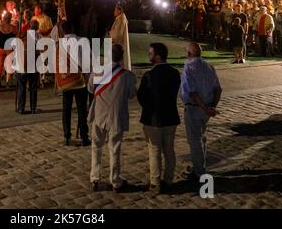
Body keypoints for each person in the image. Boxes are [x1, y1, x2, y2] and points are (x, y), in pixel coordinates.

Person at [89, 44, 137, 193]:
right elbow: (131, 94)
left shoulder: (97, 71)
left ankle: (95, 178)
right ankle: (115, 180)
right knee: (114, 149)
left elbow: (91, 89)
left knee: (96, 146)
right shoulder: (127, 75)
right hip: (117, 115)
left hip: (99, 114)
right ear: (122, 57)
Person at [137, 43, 181, 194]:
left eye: (150, 53)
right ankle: (169, 179)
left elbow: (141, 97)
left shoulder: (149, 75)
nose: (148, 55)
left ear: (157, 56)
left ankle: (155, 183)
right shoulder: (175, 73)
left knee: (154, 150)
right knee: (169, 149)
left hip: (153, 119)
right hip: (171, 117)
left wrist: (149, 107)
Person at [181, 43, 222, 181]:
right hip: (207, 108)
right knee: (202, 137)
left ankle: (199, 171)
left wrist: (205, 108)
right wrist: (211, 108)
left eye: (186, 52)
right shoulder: (208, 66)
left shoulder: (189, 68)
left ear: (190, 54)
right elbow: (218, 89)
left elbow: (192, 93)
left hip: (195, 107)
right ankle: (200, 166)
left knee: (195, 140)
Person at [56, 21, 91, 147]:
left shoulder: (59, 44)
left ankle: (67, 135)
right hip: (79, 80)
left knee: (66, 108)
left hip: (66, 80)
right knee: (82, 109)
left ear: (63, 30)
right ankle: (84, 136)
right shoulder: (82, 41)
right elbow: (87, 61)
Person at [15, 20, 40, 114]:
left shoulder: (22, 35)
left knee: (22, 87)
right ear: (37, 27)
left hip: (22, 64)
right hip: (32, 64)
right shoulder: (37, 36)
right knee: (33, 87)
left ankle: (21, 108)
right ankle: (33, 108)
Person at [0, 12, 16, 89]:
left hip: (0, 48)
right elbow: (17, 36)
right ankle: (7, 83)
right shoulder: (13, 28)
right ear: (10, 19)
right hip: (9, 48)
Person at [109, 5, 132, 71]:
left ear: (119, 11)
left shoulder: (120, 20)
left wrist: (110, 34)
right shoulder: (120, 19)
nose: (114, 12)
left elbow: (117, 34)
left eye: (115, 10)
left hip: (119, 43)